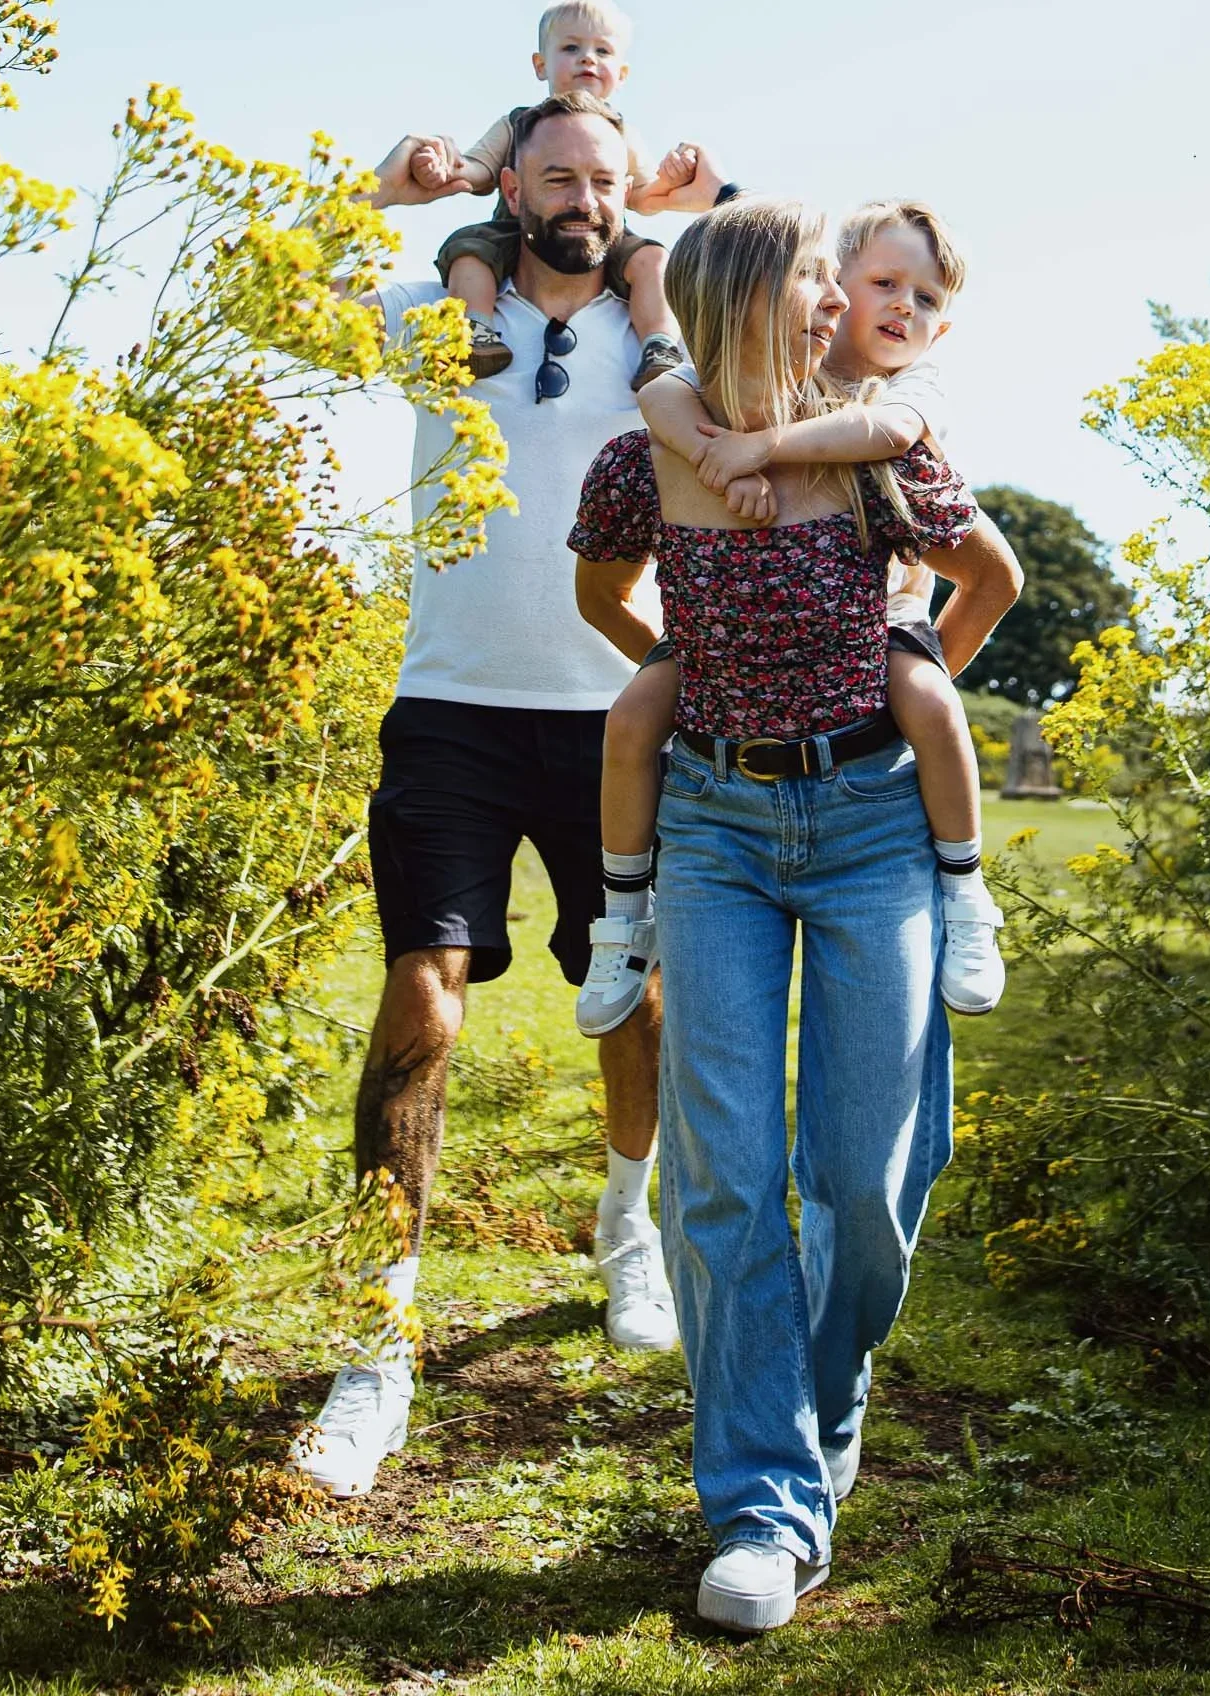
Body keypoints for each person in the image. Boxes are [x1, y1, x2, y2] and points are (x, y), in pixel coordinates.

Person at [570, 196, 1006, 1632]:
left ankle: (812, 1429)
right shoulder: (649, 458)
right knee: (725, 1179)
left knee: (865, 1185)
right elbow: (600, 588)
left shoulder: (877, 447)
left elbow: (986, 578)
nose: (838, 303)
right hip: (709, 830)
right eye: (819, 278)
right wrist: (680, 673)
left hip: (876, 827)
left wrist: (897, 671)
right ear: (759, 298)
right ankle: (759, 1503)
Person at [290, 92, 725, 1502]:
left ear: (622, 196)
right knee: (421, 995)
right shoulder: (437, 311)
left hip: (615, 715)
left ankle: (624, 1228)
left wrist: (710, 206)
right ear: (513, 185)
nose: (581, 196)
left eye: (603, 177)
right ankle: (379, 1336)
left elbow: (809, 308)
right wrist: (379, 187)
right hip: (449, 711)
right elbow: (278, 289)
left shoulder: (667, 331)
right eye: (555, 173)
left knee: (632, 995)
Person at [575, 199, 1009, 1041]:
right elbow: (667, 390)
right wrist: (710, 452)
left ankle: (964, 888)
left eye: (924, 300)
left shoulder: (895, 405)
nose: (894, 308)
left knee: (925, 699)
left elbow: (969, 542)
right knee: (632, 712)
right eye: (878, 282)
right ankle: (625, 913)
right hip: (720, 726)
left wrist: (761, 453)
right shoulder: (693, 411)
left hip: (882, 626)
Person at [406, 0, 716, 382]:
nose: (588, 58)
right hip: (520, 233)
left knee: (653, 260)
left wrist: (676, 176)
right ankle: (474, 329)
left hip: (603, 237)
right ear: (541, 65)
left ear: (621, 75)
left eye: (603, 51)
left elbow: (643, 196)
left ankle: (659, 345)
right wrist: (438, 168)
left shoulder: (621, 134)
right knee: (469, 251)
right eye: (571, 47)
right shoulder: (518, 124)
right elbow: (477, 172)